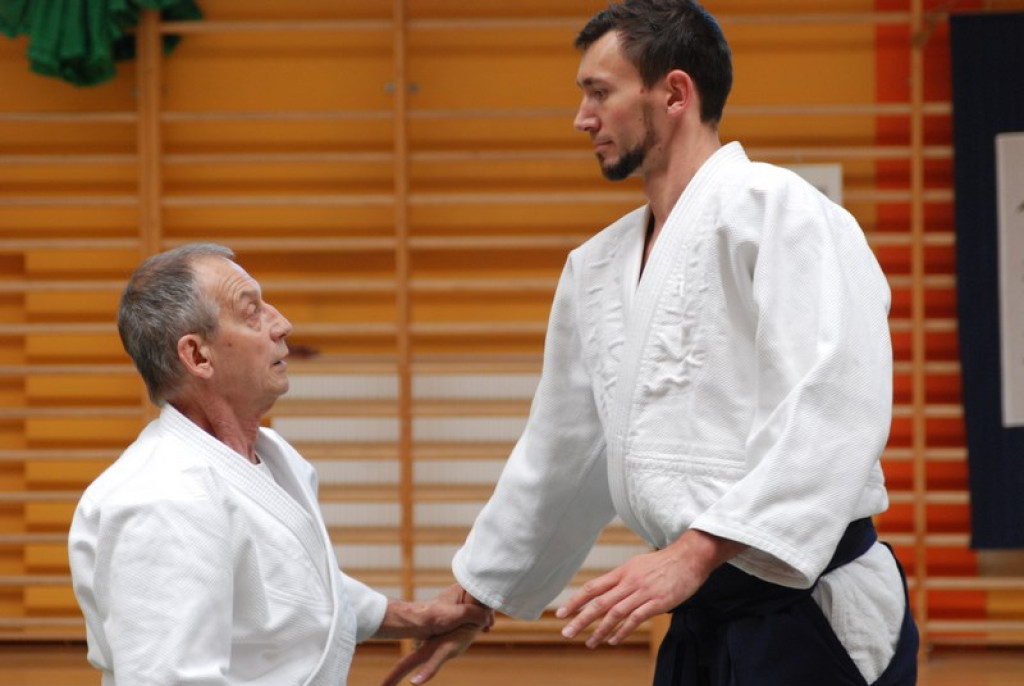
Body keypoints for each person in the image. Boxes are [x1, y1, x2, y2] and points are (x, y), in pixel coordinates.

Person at [383, 1, 919, 685]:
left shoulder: (783, 213)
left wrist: (696, 551)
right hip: (697, 608)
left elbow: (835, 406)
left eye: (598, 92)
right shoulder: (597, 267)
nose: (582, 117)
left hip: (807, 605)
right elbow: (562, 455)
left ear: (673, 92)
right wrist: (474, 599)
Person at [68, 243, 492, 685]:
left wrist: (415, 616)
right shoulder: (162, 499)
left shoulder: (270, 454)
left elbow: (289, 586)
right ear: (198, 356)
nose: (282, 324)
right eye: (251, 312)